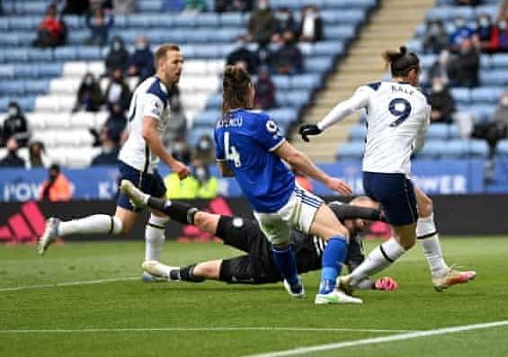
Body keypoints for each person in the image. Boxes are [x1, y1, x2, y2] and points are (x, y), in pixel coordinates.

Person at [299, 47, 476, 293]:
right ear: (413, 73)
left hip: (370, 174)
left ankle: (440, 272)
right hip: (393, 176)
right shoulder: (421, 100)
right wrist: (409, 145)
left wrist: (319, 127)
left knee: (424, 205)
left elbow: (347, 106)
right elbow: (420, 142)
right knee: (405, 240)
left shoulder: (372, 89)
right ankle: (351, 281)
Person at [201, 65, 360, 304]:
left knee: (281, 245)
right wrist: (328, 180)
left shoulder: (219, 127)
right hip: (286, 196)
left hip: (261, 208)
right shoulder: (258, 121)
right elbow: (293, 157)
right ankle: (327, 291)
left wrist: (251, 167)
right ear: (249, 90)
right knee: (338, 234)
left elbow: (225, 170)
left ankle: (295, 285)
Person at [39, 45, 189, 285]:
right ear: (161, 65)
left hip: (144, 164)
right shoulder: (156, 93)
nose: (180, 66)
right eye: (175, 62)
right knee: (122, 224)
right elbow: (148, 132)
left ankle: (151, 269)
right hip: (139, 165)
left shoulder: (149, 86)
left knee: (161, 211)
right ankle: (61, 228)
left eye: (182, 62)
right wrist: (173, 164)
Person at [130, 190, 396, 291]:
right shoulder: (333, 211)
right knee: (203, 219)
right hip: (263, 236)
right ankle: (145, 199)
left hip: (270, 269)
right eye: (366, 215)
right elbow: (348, 211)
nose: (367, 223)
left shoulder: (353, 244)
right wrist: (380, 214)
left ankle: (167, 273)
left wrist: (375, 285)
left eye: (370, 220)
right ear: (357, 206)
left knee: (206, 270)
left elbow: (357, 276)